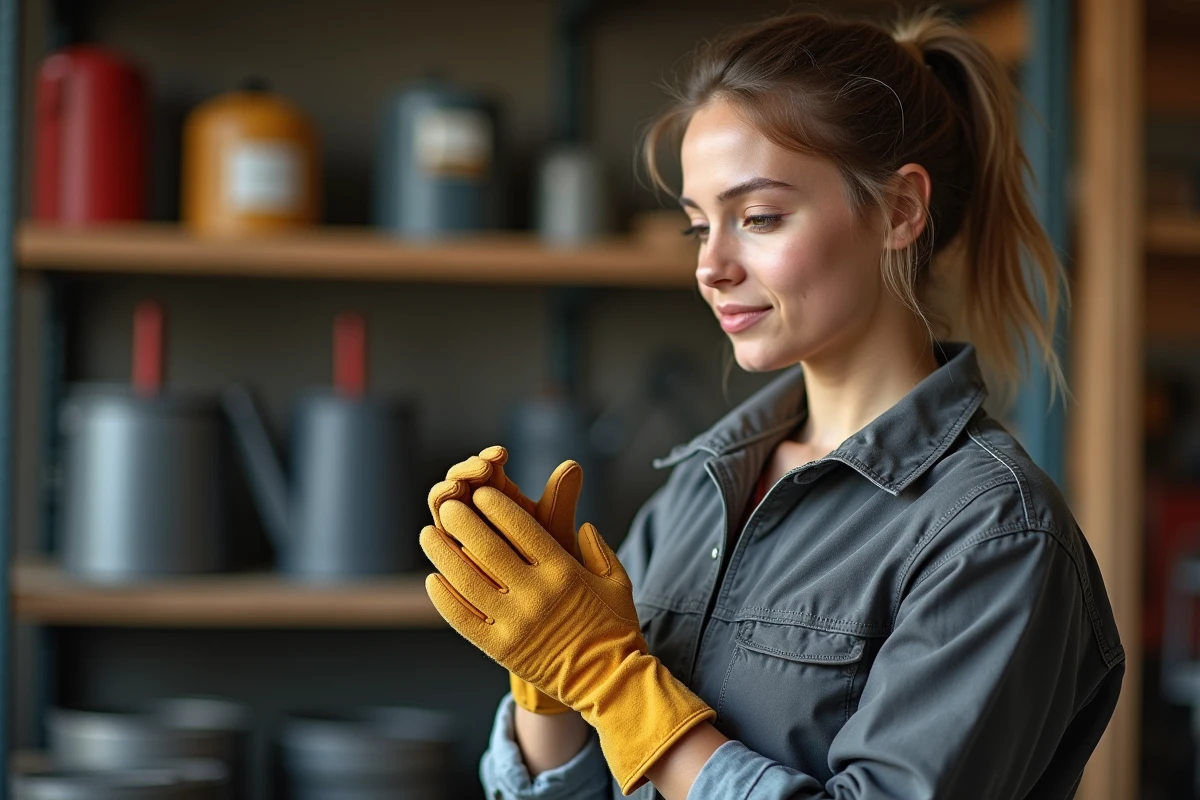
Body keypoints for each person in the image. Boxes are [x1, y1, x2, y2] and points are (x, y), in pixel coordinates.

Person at [419, 9, 1124, 800]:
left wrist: (614, 683)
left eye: (757, 218)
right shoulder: (699, 488)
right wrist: (549, 682)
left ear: (899, 211)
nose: (711, 266)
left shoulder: (993, 533)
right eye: (697, 228)